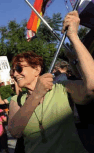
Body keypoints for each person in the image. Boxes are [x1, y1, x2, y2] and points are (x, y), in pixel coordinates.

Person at [8, 11, 94, 153]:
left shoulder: (62, 88)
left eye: (18, 68)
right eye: (13, 71)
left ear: (37, 69)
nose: (15, 74)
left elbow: (91, 87)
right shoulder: (17, 101)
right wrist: (36, 94)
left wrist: (73, 37)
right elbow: (15, 131)